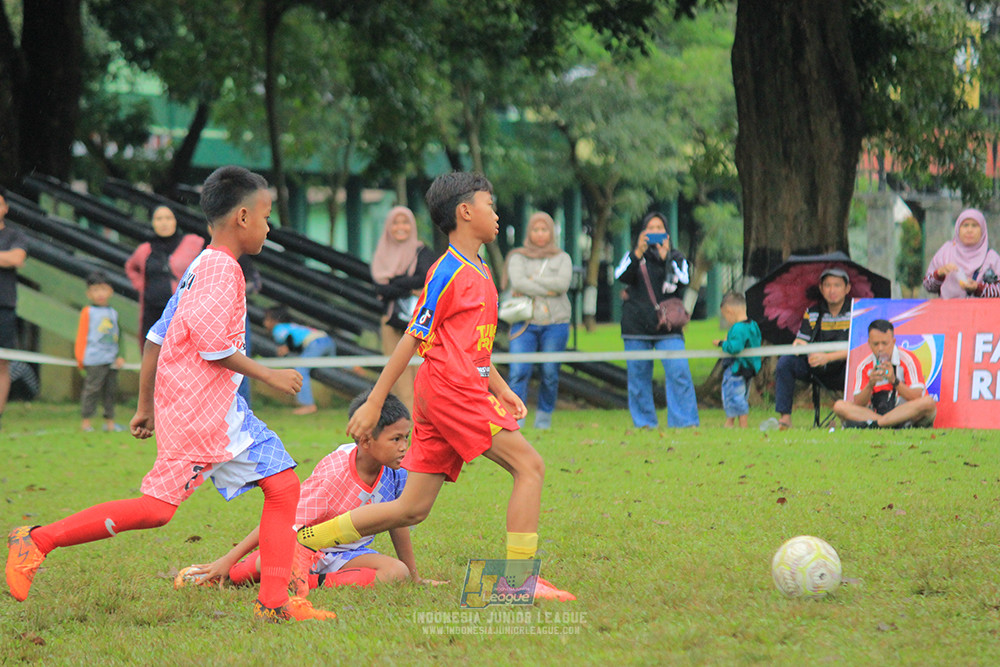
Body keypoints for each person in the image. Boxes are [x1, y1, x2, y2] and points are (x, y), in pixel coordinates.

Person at [4, 166, 334, 623]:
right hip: (205, 412)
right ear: (242, 217)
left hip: (204, 408)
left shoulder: (200, 264)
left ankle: (276, 602)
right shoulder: (222, 270)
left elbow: (156, 338)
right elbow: (214, 348)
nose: (269, 225)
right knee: (158, 510)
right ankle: (36, 540)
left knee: (282, 486)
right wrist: (272, 376)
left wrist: (144, 406)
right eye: (266, 215)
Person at [296, 172, 573, 601]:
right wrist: (374, 402)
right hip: (451, 392)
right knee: (530, 467)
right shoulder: (447, 270)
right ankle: (517, 583)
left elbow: (467, 345)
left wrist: (498, 387)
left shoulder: (479, 268)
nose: (497, 215)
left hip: (452, 389)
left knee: (412, 508)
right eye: (490, 205)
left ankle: (309, 539)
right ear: (465, 212)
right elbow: (413, 336)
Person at [173, 391, 445, 593]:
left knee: (397, 573)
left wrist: (414, 574)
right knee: (255, 568)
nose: (403, 447)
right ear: (365, 440)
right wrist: (228, 559)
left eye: (406, 438)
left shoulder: (397, 470)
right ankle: (228, 573)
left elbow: (398, 519)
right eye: (396, 439)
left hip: (348, 555)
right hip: (304, 547)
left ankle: (305, 582)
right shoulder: (334, 474)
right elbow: (283, 519)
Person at [613, 211, 699, 429]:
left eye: (659, 228)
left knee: (678, 372)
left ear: (667, 233)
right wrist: (638, 252)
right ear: (642, 232)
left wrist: (666, 257)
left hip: (668, 326)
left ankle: (684, 423)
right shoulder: (633, 255)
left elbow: (685, 280)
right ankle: (644, 424)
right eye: (650, 228)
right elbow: (620, 276)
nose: (654, 233)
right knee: (638, 378)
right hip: (636, 325)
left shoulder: (677, 257)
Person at [502, 212, 573, 430]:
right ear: (529, 232)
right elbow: (519, 283)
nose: (540, 234)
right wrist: (547, 287)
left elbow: (562, 285)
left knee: (550, 373)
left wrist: (532, 281)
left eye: (544, 230)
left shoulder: (562, 258)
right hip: (525, 323)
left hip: (555, 322)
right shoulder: (517, 257)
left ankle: (544, 419)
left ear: (551, 232)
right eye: (536, 229)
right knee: (518, 372)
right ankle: (516, 420)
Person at [370, 205, 437, 412]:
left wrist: (395, 282)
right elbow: (380, 289)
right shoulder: (381, 253)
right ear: (389, 227)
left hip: (418, 321)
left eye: (405, 222)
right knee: (395, 372)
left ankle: (422, 417)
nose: (401, 227)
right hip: (390, 320)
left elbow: (425, 278)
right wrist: (409, 285)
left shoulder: (422, 251)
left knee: (419, 369)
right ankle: (405, 419)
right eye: (396, 222)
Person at [772, 267, 852, 430]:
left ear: (847, 288)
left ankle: (858, 415)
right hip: (816, 368)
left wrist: (828, 357)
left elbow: (859, 348)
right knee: (786, 362)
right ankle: (785, 418)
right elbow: (801, 342)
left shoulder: (856, 310)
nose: (832, 290)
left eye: (837, 285)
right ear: (821, 289)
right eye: (827, 285)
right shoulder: (813, 312)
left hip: (846, 369)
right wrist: (806, 350)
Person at [125, 205, 204, 348]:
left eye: (168, 218)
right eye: (159, 219)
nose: (164, 223)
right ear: (153, 222)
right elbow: (131, 266)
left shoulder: (193, 243)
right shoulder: (145, 249)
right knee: (152, 353)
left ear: (175, 221)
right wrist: (141, 285)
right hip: (152, 310)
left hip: (181, 310)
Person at [833, 319, 937, 428]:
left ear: (893, 341)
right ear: (869, 343)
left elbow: (916, 396)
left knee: (928, 402)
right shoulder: (864, 366)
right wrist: (870, 384)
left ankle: (877, 424)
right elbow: (859, 403)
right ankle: (887, 423)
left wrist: (894, 381)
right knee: (839, 406)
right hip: (876, 412)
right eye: (876, 344)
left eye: (884, 343)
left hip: (904, 412)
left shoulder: (907, 360)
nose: (880, 348)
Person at [74, 271, 126, 433]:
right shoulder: (87, 312)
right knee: (92, 390)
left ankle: (109, 422)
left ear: (110, 291)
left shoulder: (113, 313)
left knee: (110, 391)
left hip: (110, 358)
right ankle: (86, 422)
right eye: (96, 290)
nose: (100, 294)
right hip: (94, 359)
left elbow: (119, 336)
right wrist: (80, 358)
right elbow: (82, 335)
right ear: (89, 293)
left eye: (103, 289)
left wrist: (120, 355)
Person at [262, 306, 336, 415]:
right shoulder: (292, 325)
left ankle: (308, 405)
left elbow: (288, 338)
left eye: (266, 320)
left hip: (316, 343)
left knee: (301, 368)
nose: (264, 323)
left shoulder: (278, 328)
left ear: (274, 321)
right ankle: (356, 369)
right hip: (326, 340)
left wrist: (287, 347)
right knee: (336, 363)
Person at [923, 208, 1000, 299]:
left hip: (980, 312)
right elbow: (928, 286)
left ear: (983, 230)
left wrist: (977, 288)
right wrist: (939, 273)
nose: (969, 230)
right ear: (958, 229)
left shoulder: (991, 257)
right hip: (948, 311)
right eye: (965, 225)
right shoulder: (945, 252)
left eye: (974, 226)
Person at [712, 291, 761, 428]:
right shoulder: (752, 325)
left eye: (725, 316)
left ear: (730, 311)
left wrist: (722, 343)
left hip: (737, 368)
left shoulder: (738, 328)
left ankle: (740, 424)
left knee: (733, 395)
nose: (726, 319)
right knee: (741, 395)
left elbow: (735, 347)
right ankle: (731, 422)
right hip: (749, 368)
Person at [0, 194, 27, 433]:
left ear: (5, 208)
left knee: (2, 364)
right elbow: (7, 258)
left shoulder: (15, 235)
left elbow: (16, 258)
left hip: (4, 305)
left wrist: (8, 259)